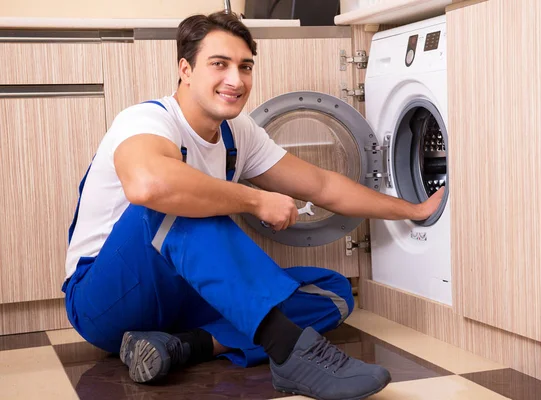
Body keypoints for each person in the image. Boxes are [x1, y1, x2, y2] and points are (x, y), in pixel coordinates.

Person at [62, 11, 444, 400]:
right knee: (178, 200)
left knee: (331, 291)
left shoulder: (237, 133)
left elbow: (322, 185)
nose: (235, 79)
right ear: (186, 69)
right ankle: (293, 355)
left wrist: (411, 209)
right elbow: (148, 185)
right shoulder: (146, 120)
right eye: (219, 64)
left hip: (184, 300)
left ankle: (183, 346)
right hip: (106, 299)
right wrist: (255, 198)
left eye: (245, 67)